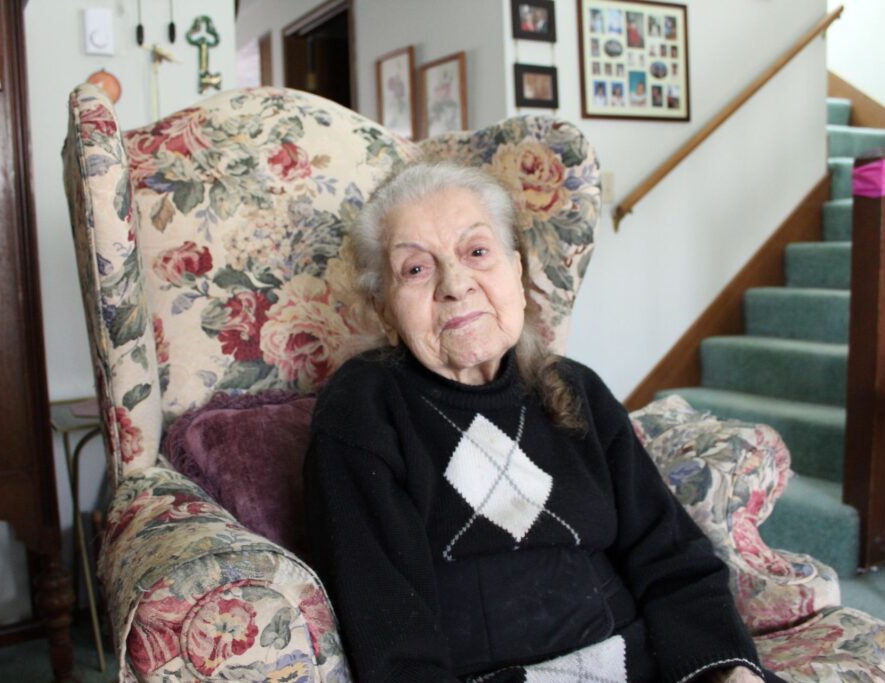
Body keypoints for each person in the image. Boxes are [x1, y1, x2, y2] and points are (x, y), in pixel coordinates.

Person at [303, 161, 777, 683]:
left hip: (643, 662)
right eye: (416, 269)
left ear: (517, 270)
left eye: (477, 252)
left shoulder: (575, 388)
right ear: (385, 309)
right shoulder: (365, 409)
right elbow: (388, 623)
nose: (456, 285)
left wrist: (726, 669)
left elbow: (670, 555)